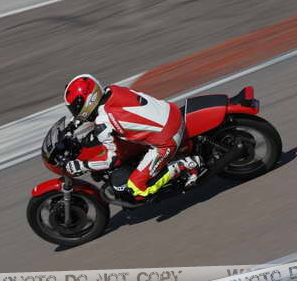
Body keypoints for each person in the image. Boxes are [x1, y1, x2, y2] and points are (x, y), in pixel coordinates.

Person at [62, 74, 202, 200]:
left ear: (88, 101)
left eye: (75, 108)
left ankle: (183, 165)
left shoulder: (103, 123)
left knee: (135, 189)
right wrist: (74, 123)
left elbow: (111, 160)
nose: (75, 111)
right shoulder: (112, 90)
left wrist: (83, 165)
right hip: (170, 111)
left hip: (167, 138)